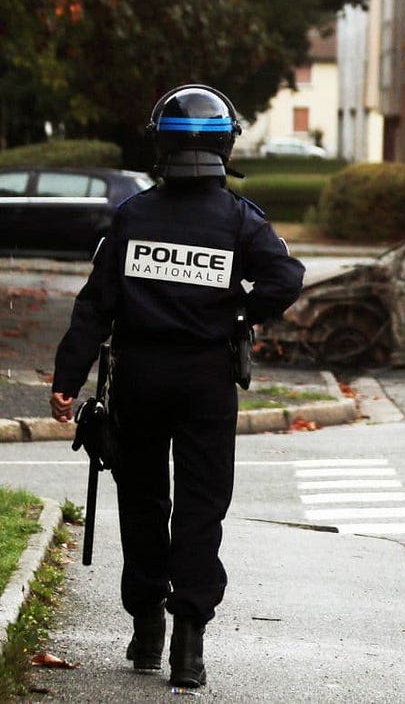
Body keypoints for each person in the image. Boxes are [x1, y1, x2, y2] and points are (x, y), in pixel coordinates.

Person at [50, 84, 305, 689]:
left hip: (138, 379)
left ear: (160, 145)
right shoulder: (239, 219)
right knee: (200, 509)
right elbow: (285, 278)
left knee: (142, 505)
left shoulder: (133, 216)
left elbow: (95, 306)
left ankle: (146, 632)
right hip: (206, 382)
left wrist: (67, 379)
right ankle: (188, 648)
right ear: (226, 145)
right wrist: (237, 315)